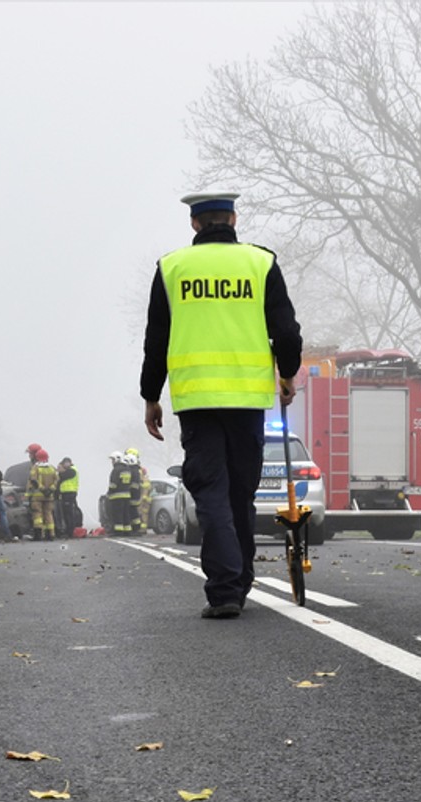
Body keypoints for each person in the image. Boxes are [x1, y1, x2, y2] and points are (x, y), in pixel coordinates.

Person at [140, 191, 301, 617]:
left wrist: (151, 396)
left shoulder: (172, 268)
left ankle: (227, 588)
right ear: (232, 217)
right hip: (247, 400)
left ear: (195, 224)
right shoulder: (260, 263)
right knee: (241, 494)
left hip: (197, 401)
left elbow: (156, 341)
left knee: (211, 492)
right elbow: (285, 329)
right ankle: (238, 580)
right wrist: (287, 373)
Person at [26, 444, 59, 540]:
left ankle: (39, 534)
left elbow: (33, 479)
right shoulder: (52, 468)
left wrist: (42, 489)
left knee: (37, 514)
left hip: (37, 496)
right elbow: (57, 480)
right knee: (48, 514)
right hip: (49, 496)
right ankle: (51, 534)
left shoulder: (36, 467)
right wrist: (50, 489)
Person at [105, 451, 141, 534]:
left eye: (113, 460)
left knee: (117, 514)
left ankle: (118, 531)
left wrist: (109, 492)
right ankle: (127, 530)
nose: (112, 462)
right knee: (126, 514)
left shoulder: (116, 470)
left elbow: (113, 484)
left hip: (116, 496)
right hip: (127, 495)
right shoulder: (127, 469)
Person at [56, 457, 83, 537]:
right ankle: (69, 530)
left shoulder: (72, 470)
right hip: (65, 494)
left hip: (69, 493)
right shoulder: (68, 470)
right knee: (67, 513)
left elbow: (62, 476)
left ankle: (70, 531)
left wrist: (59, 471)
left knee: (69, 513)